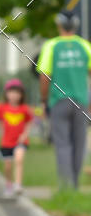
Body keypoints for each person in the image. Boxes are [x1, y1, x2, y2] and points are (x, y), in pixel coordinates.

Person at [37, 11, 91, 189]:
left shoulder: (51, 46)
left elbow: (44, 77)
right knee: (79, 144)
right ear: (75, 25)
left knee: (62, 144)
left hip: (59, 100)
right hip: (81, 101)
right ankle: (74, 185)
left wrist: (44, 100)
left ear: (59, 25)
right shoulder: (85, 46)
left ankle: (65, 186)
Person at [0, 79, 34, 198]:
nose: (14, 95)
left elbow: (29, 122)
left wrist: (25, 134)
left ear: (21, 95)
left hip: (20, 141)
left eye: (17, 92)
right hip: (6, 142)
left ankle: (18, 185)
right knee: (7, 167)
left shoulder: (24, 109)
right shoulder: (2, 107)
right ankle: (9, 185)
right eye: (11, 92)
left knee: (19, 159)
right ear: (6, 94)